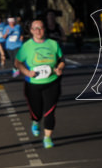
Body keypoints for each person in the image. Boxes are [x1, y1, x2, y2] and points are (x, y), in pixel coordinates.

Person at [15, 19, 65, 148]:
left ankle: (47, 137)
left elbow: (61, 60)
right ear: (31, 31)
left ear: (44, 29)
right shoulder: (26, 46)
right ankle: (35, 121)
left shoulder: (53, 44)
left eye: (41, 28)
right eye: (35, 28)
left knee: (49, 111)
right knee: (36, 111)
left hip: (52, 82)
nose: (38, 31)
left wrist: (59, 68)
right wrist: (26, 72)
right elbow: (17, 62)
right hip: (33, 85)